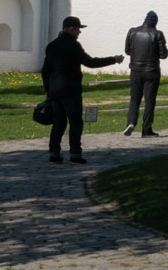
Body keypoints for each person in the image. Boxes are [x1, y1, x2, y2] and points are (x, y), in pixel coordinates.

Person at [42, 16, 120, 165]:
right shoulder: (73, 45)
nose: (79, 32)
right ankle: (75, 154)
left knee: (58, 122)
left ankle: (54, 152)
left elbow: (45, 70)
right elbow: (90, 62)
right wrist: (113, 59)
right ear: (71, 29)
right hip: (71, 90)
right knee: (75, 122)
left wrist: (48, 89)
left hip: (55, 91)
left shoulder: (51, 45)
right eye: (78, 29)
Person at [123, 10, 168, 136]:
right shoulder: (157, 34)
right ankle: (146, 129)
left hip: (135, 71)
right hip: (151, 71)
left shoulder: (132, 32)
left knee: (134, 98)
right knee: (149, 100)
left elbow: (127, 51)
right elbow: (163, 55)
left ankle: (131, 122)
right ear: (155, 22)